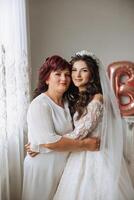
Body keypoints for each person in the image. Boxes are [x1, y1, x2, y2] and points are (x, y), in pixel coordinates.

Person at [53, 51, 134, 200]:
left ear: (92, 75)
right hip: (80, 153)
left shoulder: (97, 98)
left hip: (97, 154)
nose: (77, 75)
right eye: (74, 70)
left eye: (84, 70)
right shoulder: (77, 98)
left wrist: (49, 142)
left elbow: (80, 132)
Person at [22, 55, 100, 200]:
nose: (63, 78)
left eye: (67, 74)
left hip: (63, 168)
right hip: (43, 168)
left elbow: (71, 133)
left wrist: (39, 145)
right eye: (57, 74)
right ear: (46, 79)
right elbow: (49, 141)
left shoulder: (67, 102)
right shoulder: (40, 104)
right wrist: (84, 145)